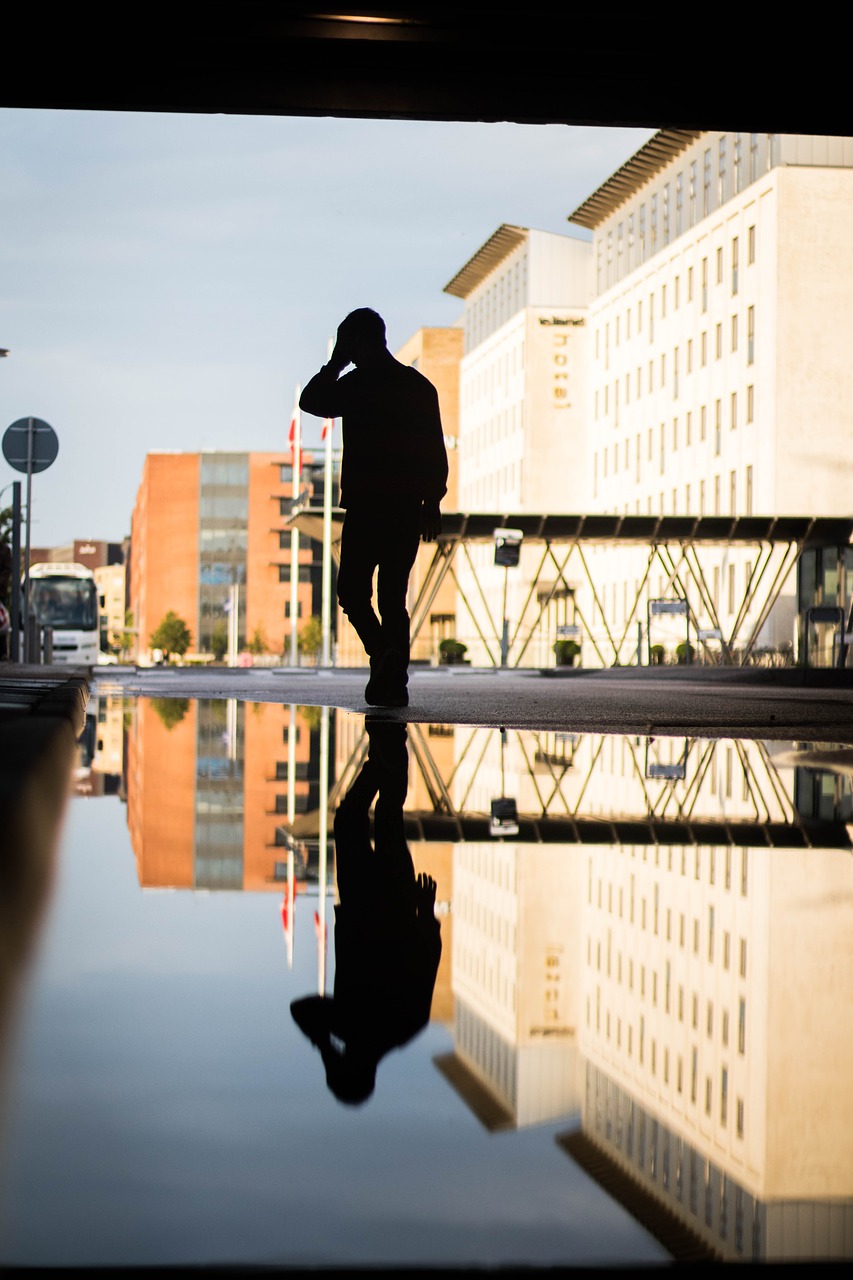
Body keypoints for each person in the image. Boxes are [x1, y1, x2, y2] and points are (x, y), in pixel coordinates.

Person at [300, 309, 448, 707]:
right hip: (404, 508)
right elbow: (434, 449)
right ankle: (392, 677)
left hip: (366, 506)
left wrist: (334, 363)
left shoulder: (357, 384)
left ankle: (383, 656)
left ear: (357, 343)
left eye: (347, 344)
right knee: (392, 599)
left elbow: (310, 400)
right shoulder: (418, 387)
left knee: (351, 592)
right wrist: (432, 501)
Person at [290, 720, 442, 1106]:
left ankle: (390, 746)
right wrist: (324, 1045)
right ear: (346, 1066)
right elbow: (301, 1010)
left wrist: (425, 914)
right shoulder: (344, 1024)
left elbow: (427, 963)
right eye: (336, 1067)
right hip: (365, 906)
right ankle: (381, 756)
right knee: (352, 818)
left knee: (389, 817)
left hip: (393, 905)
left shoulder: (406, 1028)